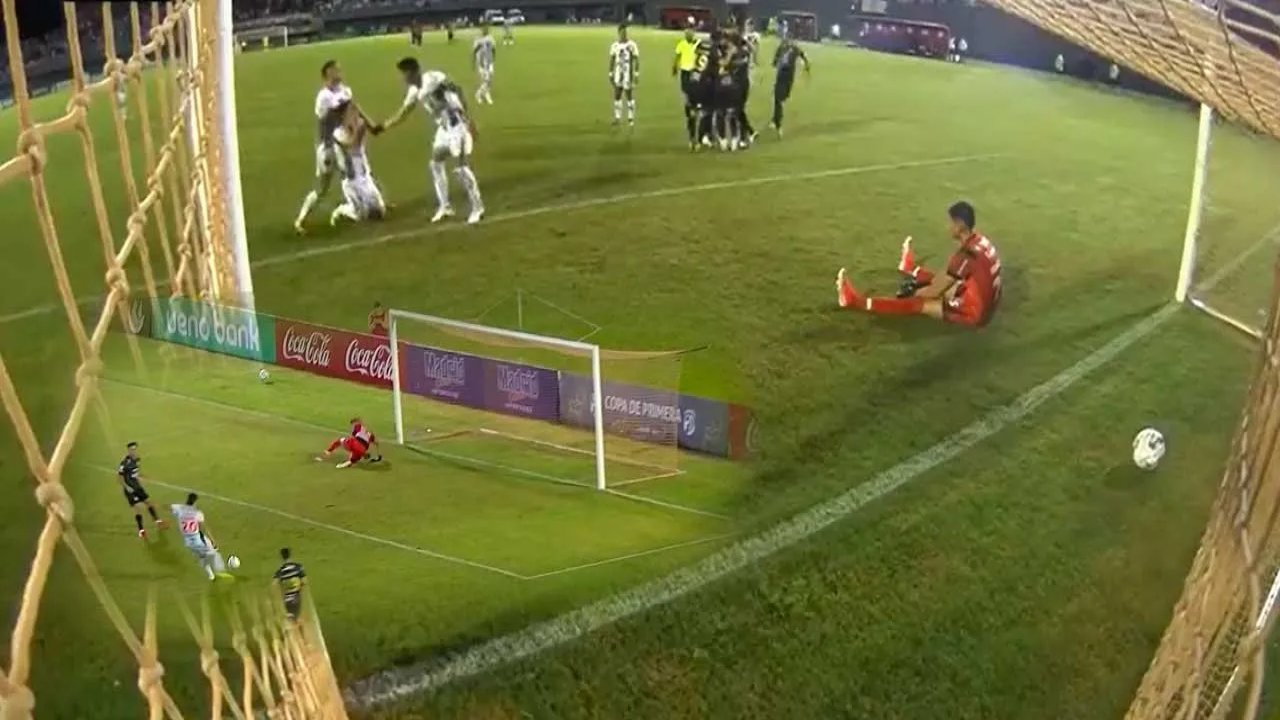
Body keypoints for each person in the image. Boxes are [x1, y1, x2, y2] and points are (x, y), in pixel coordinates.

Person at [835, 201, 1003, 327]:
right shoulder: (980, 240)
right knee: (948, 282)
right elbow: (950, 274)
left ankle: (855, 301)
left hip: (975, 314)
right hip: (986, 301)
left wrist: (916, 292)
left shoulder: (965, 255)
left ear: (959, 226)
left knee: (920, 304)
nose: (948, 226)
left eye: (951, 222)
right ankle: (911, 268)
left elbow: (933, 292)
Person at [374, 58, 485, 225]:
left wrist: (469, 121)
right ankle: (445, 206)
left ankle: (477, 208)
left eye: (404, 74)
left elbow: (458, 90)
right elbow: (404, 113)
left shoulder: (433, 78)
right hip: (444, 129)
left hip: (458, 125)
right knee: (435, 163)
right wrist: (383, 126)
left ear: (413, 72)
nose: (402, 78)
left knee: (461, 168)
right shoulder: (414, 91)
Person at [294, 60, 352, 234]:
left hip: (341, 143)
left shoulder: (344, 90)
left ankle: (361, 205)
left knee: (351, 174)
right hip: (327, 145)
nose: (339, 72)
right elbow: (326, 119)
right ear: (327, 74)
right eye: (336, 70)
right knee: (322, 188)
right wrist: (327, 148)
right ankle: (301, 219)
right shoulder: (324, 96)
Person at [328, 100, 386, 225]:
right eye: (350, 113)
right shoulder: (337, 133)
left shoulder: (355, 127)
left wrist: (361, 128)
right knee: (360, 215)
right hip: (351, 179)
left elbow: (359, 142)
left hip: (363, 174)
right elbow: (350, 145)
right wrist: (357, 130)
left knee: (379, 212)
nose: (354, 115)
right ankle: (341, 210)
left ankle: (369, 202)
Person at [171, 493, 231, 581]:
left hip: (188, 542)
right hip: (197, 540)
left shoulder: (179, 508)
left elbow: (168, 507)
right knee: (214, 553)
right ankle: (221, 570)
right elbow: (204, 528)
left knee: (202, 557)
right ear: (195, 502)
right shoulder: (197, 513)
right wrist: (213, 540)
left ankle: (211, 575)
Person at [118, 441, 167, 539]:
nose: (133, 451)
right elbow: (120, 477)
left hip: (137, 487)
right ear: (128, 450)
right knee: (138, 509)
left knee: (149, 502)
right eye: (131, 449)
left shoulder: (137, 459)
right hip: (130, 489)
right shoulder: (124, 462)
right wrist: (127, 487)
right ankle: (141, 530)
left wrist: (143, 477)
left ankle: (157, 521)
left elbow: (136, 473)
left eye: (134, 449)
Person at [771, 37, 809, 137]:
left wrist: (806, 65)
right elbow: (776, 59)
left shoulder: (792, 48)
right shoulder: (787, 48)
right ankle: (777, 122)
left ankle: (776, 119)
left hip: (786, 76)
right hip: (783, 76)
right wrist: (806, 65)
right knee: (778, 98)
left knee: (781, 98)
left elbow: (803, 55)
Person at [317, 417, 383, 468]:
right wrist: (378, 455)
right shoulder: (370, 435)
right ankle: (343, 465)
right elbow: (376, 443)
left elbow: (354, 434)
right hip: (363, 448)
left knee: (339, 441)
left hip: (354, 443)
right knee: (353, 460)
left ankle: (328, 451)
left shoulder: (358, 427)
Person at [609, 25, 640, 126]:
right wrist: (610, 73)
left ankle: (631, 118)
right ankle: (617, 118)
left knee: (629, 95)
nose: (624, 34)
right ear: (619, 33)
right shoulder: (614, 46)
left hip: (628, 74)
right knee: (617, 95)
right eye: (622, 32)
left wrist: (636, 74)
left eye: (625, 32)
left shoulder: (632, 45)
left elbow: (636, 59)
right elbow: (612, 59)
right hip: (618, 73)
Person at [274, 547, 307, 621]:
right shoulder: (297, 567)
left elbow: (275, 583)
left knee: (290, 618)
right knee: (297, 617)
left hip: (287, 598)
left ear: (281, 557)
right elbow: (304, 581)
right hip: (296, 596)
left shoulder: (280, 571)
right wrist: (300, 588)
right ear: (290, 555)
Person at [473, 24, 497, 105]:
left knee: (489, 81)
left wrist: (493, 59)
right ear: (481, 30)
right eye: (483, 29)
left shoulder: (491, 38)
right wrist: (476, 62)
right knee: (485, 80)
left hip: (490, 62)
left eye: (486, 29)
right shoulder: (478, 39)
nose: (485, 30)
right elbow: (475, 51)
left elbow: (493, 49)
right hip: (482, 63)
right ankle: (479, 94)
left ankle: (485, 94)